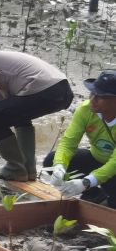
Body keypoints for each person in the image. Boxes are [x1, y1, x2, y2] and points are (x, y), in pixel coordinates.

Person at [0, 39, 73, 181]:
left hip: (45, 89)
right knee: (18, 116)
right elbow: (5, 104)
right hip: (63, 92)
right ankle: (29, 170)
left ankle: (15, 168)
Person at [43, 70, 116, 208]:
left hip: (114, 169)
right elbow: (68, 143)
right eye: (93, 93)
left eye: (100, 97)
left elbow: (114, 164)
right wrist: (59, 166)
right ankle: (94, 194)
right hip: (96, 158)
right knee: (50, 160)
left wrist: (86, 182)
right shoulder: (85, 110)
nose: (92, 100)